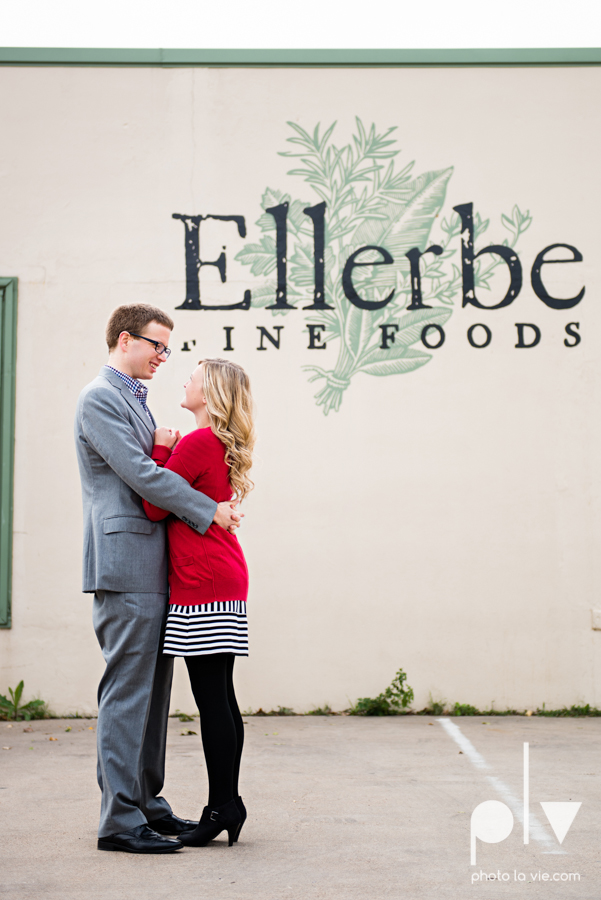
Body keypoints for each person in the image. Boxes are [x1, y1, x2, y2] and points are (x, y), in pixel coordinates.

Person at [74, 304, 242, 854]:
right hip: (125, 562)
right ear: (126, 340)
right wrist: (208, 510)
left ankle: (147, 803)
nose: (164, 358)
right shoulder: (100, 398)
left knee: (153, 694)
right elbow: (144, 476)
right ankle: (120, 821)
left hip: (156, 566)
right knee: (127, 693)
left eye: (169, 349)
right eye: (157, 346)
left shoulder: (135, 402)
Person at [142, 358, 254, 848]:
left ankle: (222, 806)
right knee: (221, 697)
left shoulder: (195, 443)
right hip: (220, 573)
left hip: (203, 581)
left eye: (190, 377)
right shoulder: (217, 443)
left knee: (213, 701)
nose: (183, 381)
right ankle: (227, 803)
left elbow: (152, 504)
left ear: (207, 393)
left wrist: (160, 448)